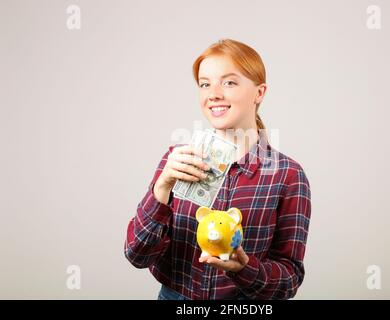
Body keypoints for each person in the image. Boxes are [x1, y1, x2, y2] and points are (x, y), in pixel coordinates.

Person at [124, 39, 312, 300]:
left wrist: (244, 268)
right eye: (205, 84)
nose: (213, 94)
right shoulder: (177, 161)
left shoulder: (287, 176)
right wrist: (162, 188)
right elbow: (137, 254)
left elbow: (288, 280)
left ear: (259, 93)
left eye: (229, 82)